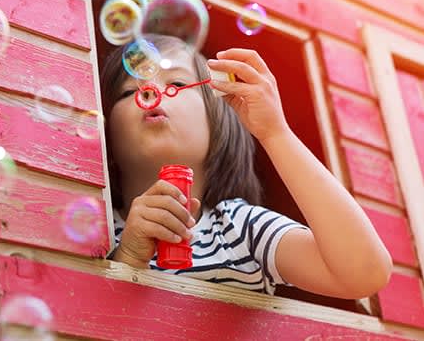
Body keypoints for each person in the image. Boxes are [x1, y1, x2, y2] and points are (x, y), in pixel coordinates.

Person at [101, 35, 392, 297]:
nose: (151, 90)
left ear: (218, 124)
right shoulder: (102, 231)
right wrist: (128, 256)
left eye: (176, 83)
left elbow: (363, 273)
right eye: (129, 91)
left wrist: (275, 133)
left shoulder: (240, 229)